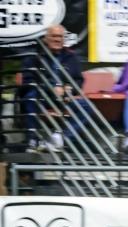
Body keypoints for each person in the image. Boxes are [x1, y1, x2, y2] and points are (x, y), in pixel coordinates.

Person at [19, 24, 87, 152]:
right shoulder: (34, 56)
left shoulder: (71, 57)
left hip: (64, 99)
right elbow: (28, 81)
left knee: (86, 105)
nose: (57, 39)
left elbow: (79, 80)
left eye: (60, 36)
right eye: (54, 36)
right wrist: (50, 88)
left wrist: (70, 89)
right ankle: (32, 140)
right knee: (30, 97)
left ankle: (60, 139)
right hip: (41, 97)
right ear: (46, 38)